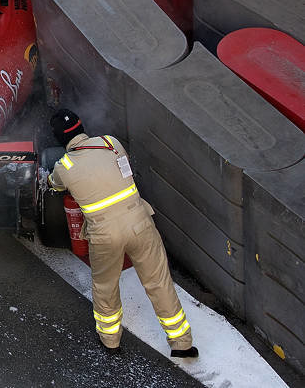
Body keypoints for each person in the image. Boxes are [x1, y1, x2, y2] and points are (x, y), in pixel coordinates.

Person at [47, 108, 199, 358]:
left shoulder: (64, 166)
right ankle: (182, 343)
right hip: (140, 222)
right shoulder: (111, 142)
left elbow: (56, 183)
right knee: (159, 282)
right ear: (81, 125)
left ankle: (111, 341)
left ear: (58, 138)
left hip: (104, 234)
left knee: (105, 286)